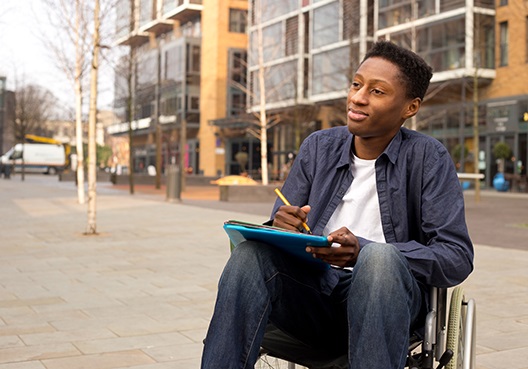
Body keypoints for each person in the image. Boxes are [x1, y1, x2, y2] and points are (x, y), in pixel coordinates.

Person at [201, 40, 474, 369]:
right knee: (250, 255)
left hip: (387, 302)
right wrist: (279, 226)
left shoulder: (428, 158)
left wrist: (363, 250)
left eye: (377, 91)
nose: (357, 97)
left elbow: (456, 256)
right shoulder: (318, 147)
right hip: (312, 296)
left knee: (378, 259)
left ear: (409, 107)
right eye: (357, 84)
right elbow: (282, 223)